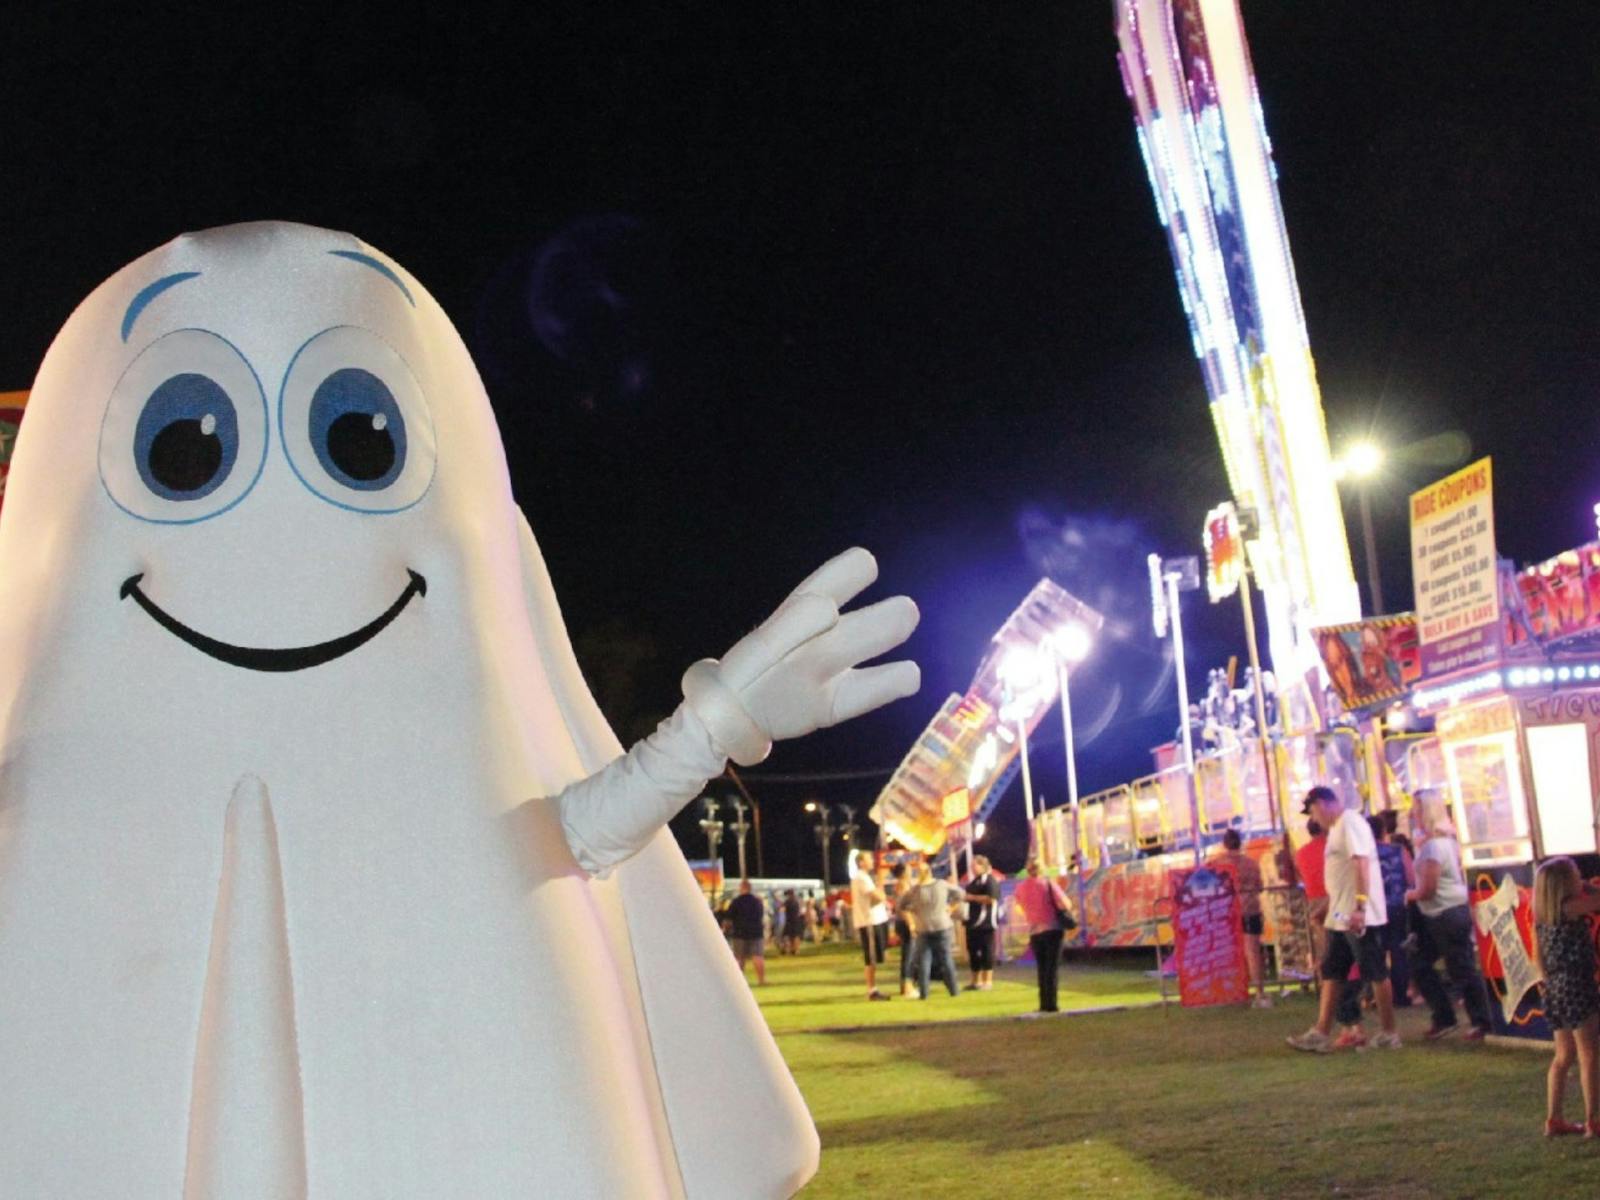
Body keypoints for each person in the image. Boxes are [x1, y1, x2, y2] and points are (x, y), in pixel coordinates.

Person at [1288, 785, 1400, 1052]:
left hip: (1357, 915)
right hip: (1341, 914)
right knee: (1332, 970)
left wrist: (1360, 908)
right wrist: (1330, 906)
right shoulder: (1340, 827)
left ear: (1325, 803)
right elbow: (1343, 875)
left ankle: (1389, 1032)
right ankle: (1321, 1031)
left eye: (1313, 811)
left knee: (1374, 970)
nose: (1314, 819)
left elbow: (1361, 863)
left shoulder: (1350, 823)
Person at [1404, 809, 1493, 1041]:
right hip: (1447, 911)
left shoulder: (1433, 848)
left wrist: (1409, 895)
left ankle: (1478, 1020)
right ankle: (1450, 1017)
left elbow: (1427, 889)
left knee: (1458, 967)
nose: (1414, 818)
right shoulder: (1447, 843)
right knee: (1427, 963)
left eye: (1417, 812)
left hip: (1444, 912)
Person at [1532, 857, 1600, 1137]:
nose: (1581, 877)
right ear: (1564, 884)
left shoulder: (1543, 917)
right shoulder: (1571, 908)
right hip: (1577, 985)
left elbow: (1540, 960)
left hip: (1555, 987)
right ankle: (1593, 1120)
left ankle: (1554, 1118)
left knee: (1563, 1055)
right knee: (1590, 1053)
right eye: (1575, 875)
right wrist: (1590, 887)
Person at [1214, 830, 1270, 1008]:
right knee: (1253, 952)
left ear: (1225, 844)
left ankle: (1234, 992)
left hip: (1227, 913)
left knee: (1230, 954)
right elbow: (1260, 886)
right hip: (1250, 911)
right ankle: (1259, 993)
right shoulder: (1251, 864)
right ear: (1240, 843)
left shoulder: (1217, 864)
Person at [1011, 859, 1072, 1014]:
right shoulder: (1048, 884)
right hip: (1052, 929)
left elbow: (1019, 905)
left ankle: (1043, 1002)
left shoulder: (1021, 887)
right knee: (1051, 969)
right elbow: (1065, 904)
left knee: (1042, 968)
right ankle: (1051, 1004)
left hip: (1034, 932)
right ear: (1042, 869)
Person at [899, 864, 963, 999]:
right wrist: (950, 908)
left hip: (923, 927)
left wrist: (913, 909)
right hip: (942, 925)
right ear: (930, 872)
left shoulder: (915, 890)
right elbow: (960, 894)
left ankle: (924, 993)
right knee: (946, 959)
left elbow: (901, 904)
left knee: (924, 961)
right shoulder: (941, 884)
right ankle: (954, 991)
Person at [1369, 814, 1413, 1007]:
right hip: (1396, 905)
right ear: (1384, 831)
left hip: (1375, 908)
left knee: (1376, 953)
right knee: (1398, 952)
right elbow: (1411, 878)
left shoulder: (1365, 854)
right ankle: (1400, 995)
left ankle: (1378, 995)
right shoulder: (1398, 850)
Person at [850, 851, 892, 1000]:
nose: (872, 861)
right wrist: (881, 884)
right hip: (869, 921)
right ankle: (872, 990)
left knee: (875, 956)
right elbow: (878, 897)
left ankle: (873, 988)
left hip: (874, 920)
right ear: (861, 862)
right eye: (869, 859)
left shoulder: (865, 878)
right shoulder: (861, 878)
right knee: (871, 957)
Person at [964, 855, 1001, 991]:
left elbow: (991, 898)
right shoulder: (974, 882)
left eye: (975, 865)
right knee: (973, 951)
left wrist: (972, 898)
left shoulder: (990, 881)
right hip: (972, 922)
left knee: (987, 952)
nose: (973, 868)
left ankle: (988, 980)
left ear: (982, 866)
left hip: (985, 923)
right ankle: (975, 980)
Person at [723, 879, 768, 986]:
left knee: (739, 957)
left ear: (741, 888)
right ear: (750, 888)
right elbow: (760, 915)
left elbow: (729, 918)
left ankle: (739, 983)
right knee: (758, 956)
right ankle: (761, 980)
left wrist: (726, 928)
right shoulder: (757, 901)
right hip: (756, 931)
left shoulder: (736, 902)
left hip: (740, 932)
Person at [890, 862, 919, 998]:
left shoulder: (905, 884)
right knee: (909, 955)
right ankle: (907, 987)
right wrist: (911, 924)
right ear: (903, 872)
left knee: (909, 955)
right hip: (906, 923)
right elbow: (904, 908)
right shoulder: (902, 885)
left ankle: (907, 985)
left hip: (906, 922)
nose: (911, 870)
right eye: (908, 869)